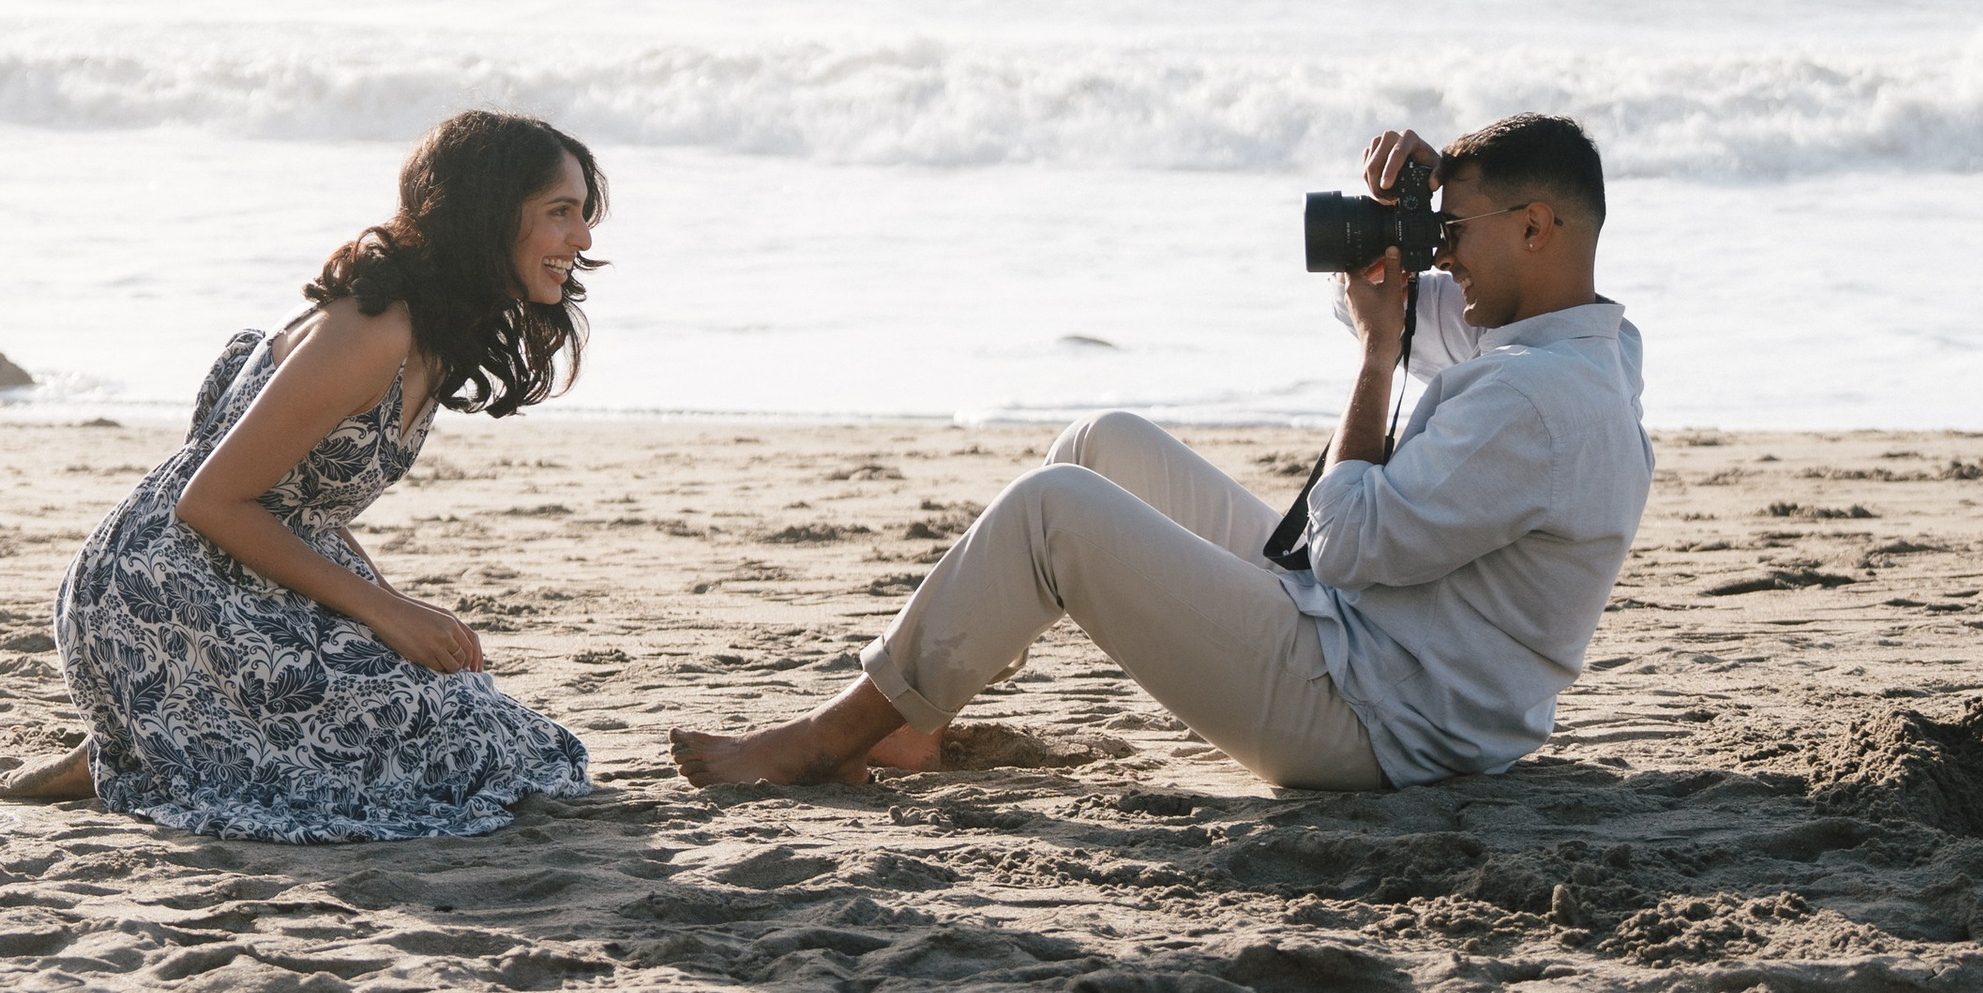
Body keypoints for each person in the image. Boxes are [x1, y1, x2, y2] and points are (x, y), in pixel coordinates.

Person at [671, 114, 1650, 796]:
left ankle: (826, 741)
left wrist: (1375, 350)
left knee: (1052, 508)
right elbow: (1402, 307)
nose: (1445, 253)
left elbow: (1346, 540)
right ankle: (912, 721)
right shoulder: (1581, 346)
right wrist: (1416, 207)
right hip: (1372, 649)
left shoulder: (1536, 398)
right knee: (1103, 443)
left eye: (1458, 233)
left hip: (1377, 723)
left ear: (1534, 226)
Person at [0, 110, 604, 840]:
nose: (583, 238)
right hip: (158, 581)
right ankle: (131, 748)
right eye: (560, 213)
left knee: (495, 729)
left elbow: (302, 499)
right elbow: (209, 500)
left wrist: (393, 601)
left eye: (583, 214)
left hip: (249, 568)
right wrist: (388, 614)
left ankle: (148, 738)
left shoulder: (435, 332)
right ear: (488, 212)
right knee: (443, 750)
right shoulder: (372, 330)